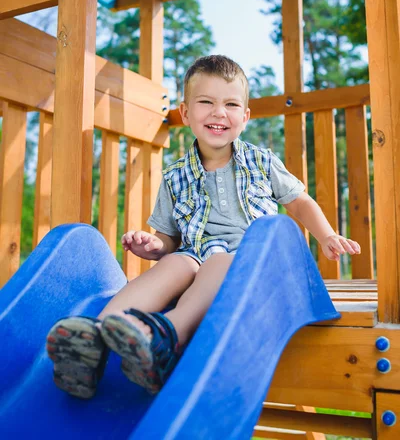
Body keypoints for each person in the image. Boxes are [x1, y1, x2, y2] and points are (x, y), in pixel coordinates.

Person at [47, 55, 361, 398]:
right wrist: (153, 246)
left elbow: (299, 200)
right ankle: (95, 335)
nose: (218, 112)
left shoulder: (261, 161)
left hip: (251, 267)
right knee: (174, 262)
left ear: (245, 116)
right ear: (185, 113)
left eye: (230, 104)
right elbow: (168, 238)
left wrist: (327, 234)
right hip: (196, 262)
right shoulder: (174, 176)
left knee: (219, 260)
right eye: (206, 102)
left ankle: (167, 340)